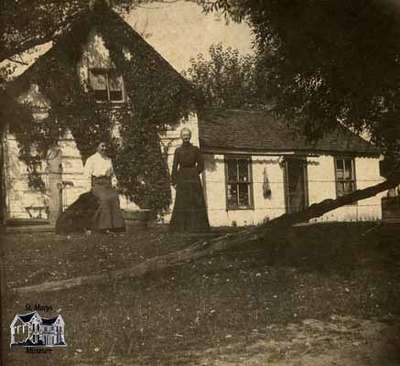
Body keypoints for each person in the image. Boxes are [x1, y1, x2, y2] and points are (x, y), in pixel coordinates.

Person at [170, 128, 210, 232]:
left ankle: (197, 228)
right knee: (182, 202)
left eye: (187, 135)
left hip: (193, 180)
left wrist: (194, 173)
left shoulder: (195, 150)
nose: (186, 137)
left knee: (195, 201)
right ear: (181, 137)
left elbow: (201, 165)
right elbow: (174, 167)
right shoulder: (178, 151)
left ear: (190, 136)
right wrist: (174, 181)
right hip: (182, 178)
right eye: (184, 135)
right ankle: (181, 228)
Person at [83, 142, 125, 233]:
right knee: (104, 199)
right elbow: (87, 175)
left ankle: (116, 226)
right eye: (102, 146)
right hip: (97, 185)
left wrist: (114, 183)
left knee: (114, 197)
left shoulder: (108, 160)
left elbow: (113, 174)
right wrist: (88, 189)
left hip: (107, 184)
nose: (104, 148)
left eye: (105, 146)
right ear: (97, 147)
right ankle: (103, 227)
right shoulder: (91, 159)